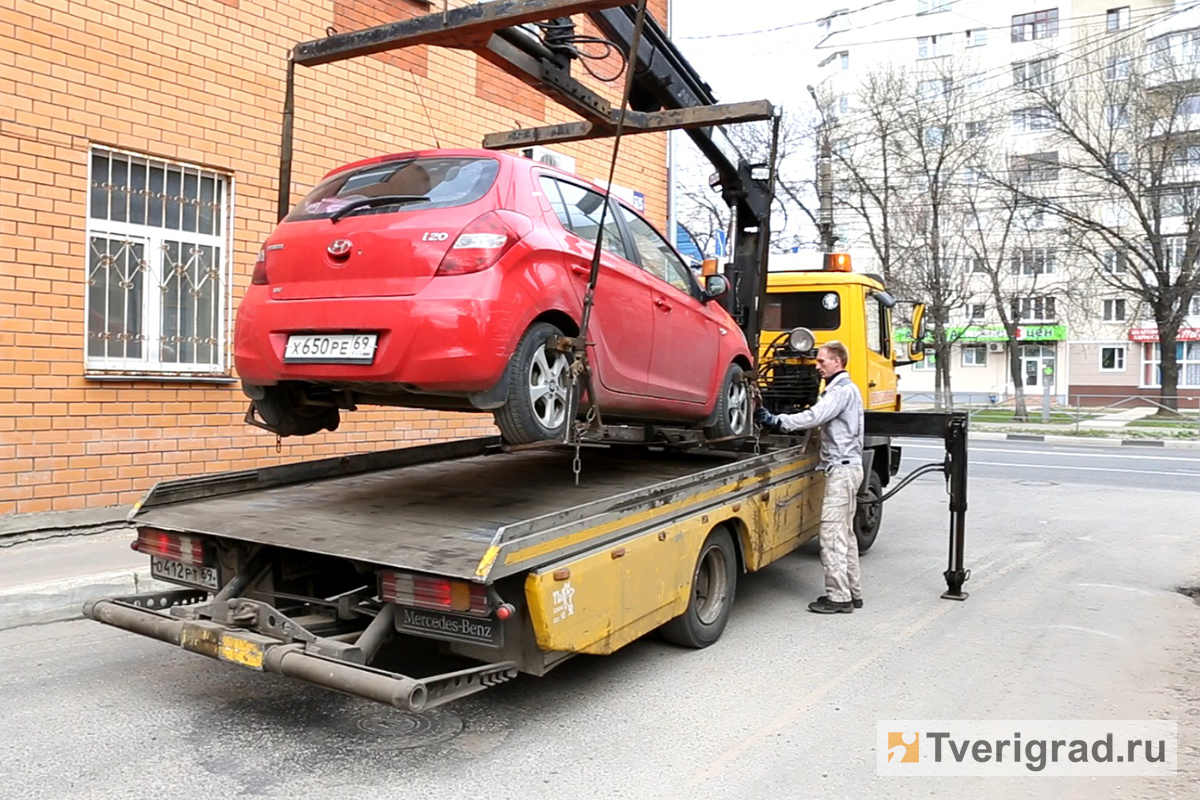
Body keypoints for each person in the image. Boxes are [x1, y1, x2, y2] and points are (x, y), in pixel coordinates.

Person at [754, 340, 865, 614]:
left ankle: (839, 598)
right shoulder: (845, 389)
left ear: (837, 362)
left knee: (830, 534)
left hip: (841, 470)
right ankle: (853, 591)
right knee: (845, 533)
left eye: (821, 361)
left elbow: (815, 416)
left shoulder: (839, 392)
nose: (817, 366)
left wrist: (776, 420)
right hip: (849, 468)